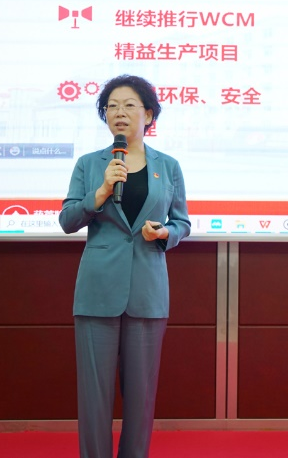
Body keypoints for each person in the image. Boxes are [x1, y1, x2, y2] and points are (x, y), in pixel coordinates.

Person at [59, 74, 191, 458]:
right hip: (97, 291)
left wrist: (164, 233)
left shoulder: (168, 166)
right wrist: (100, 192)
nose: (119, 112)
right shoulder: (90, 164)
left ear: (148, 114)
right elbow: (68, 220)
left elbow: (182, 223)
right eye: (112, 106)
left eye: (129, 105)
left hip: (147, 292)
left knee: (140, 399)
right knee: (94, 398)